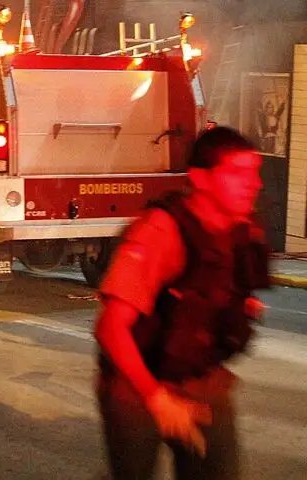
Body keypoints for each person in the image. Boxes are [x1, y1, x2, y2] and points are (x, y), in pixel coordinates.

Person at [93, 126, 269, 479]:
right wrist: (158, 399)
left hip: (202, 378)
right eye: (237, 173)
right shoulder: (161, 231)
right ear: (200, 179)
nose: (254, 184)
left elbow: (222, 286)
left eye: (254, 174)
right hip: (138, 384)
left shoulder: (242, 229)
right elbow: (111, 328)